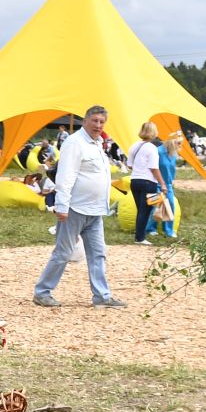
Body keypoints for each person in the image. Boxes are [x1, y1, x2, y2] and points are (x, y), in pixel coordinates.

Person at [33, 104, 124, 308]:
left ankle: (102, 296)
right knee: (63, 252)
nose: (98, 125)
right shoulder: (74, 143)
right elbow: (66, 176)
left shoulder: (98, 144)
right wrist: (62, 206)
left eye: (102, 122)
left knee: (98, 253)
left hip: (96, 210)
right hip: (75, 208)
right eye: (95, 121)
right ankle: (42, 292)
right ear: (85, 121)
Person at [127, 122, 162, 244]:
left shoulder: (134, 146)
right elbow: (154, 168)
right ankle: (140, 237)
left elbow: (129, 165)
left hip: (134, 181)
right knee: (146, 210)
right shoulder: (152, 148)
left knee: (140, 210)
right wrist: (162, 183)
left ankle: (139, 235)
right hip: (149, 182)